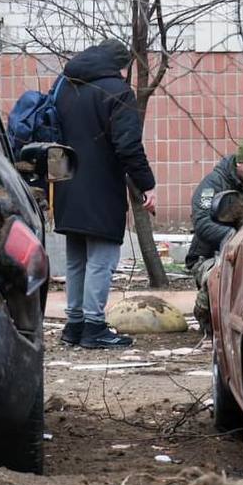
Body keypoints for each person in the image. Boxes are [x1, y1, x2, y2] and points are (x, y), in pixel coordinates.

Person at [53, 40, 157, 349]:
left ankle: (74, 325)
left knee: (76, 258)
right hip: (101, 188)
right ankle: (94, 327)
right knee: (102, 258)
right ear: (122, 67)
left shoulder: (65, 86)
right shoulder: (118, 91)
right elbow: (128, 146)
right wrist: (146, 184)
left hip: (66, 183)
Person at [186, 134, 243, 333]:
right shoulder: (213, 185)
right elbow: (202, 222)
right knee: (218, 275)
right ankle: (205, 316)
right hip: (208, 255)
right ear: (240, 163)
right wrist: (231, 237)